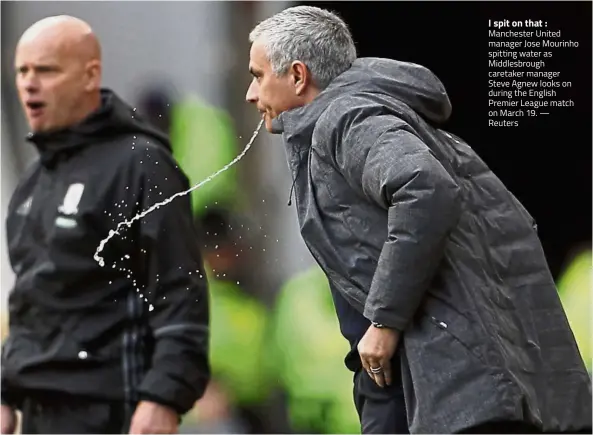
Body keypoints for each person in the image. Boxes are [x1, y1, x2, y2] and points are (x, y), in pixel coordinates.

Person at [245, 6, 592, 434]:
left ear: (298, 76)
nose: (250, 92)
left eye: (258, 75)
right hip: (417, 382)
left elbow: (426, 189)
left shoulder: (347, 118)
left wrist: (385, 321)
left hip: (456, 386)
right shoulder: (343, 119)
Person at [1, 15, 210, 434]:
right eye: (22, 71)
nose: (29, 83)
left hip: (114, 409)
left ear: (89, 75)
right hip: (40, 414)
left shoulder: (140, 164)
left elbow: (180, 291)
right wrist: (6, 393)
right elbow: (30, 301)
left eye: (46, 70)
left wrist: (163, 398)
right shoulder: (33, 182)